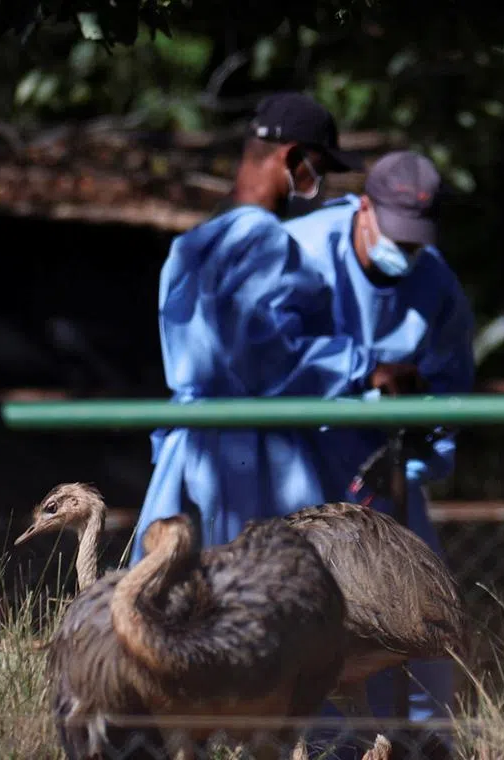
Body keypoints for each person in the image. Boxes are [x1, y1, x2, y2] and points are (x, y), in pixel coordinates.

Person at [130, 91, 376, 566]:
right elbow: (265, 358)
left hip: (194, 445)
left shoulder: (194, 242)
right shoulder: (263, 238)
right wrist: (360, 365)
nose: (319, 183)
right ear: (292, 157)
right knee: (266, 597)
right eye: (318, 166)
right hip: (254, 456)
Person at [283, 150, 476, 756]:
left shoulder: (436, 283)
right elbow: (268, 355)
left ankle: (418, 746)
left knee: (415, 629)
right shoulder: (296, 254)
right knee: (297, 626)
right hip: (296, 465)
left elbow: (448, 386)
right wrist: (359, 377)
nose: (405, 254)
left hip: (385, 480)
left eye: (416, 244)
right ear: (362, 208)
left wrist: (424, 449)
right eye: (396, 239)